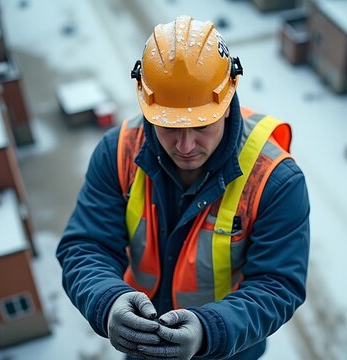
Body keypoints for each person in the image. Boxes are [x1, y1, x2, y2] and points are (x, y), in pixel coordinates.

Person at [57, 15, 310, 360]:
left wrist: (210, 330)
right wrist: (109, 301)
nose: (186, 145)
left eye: (202, 125)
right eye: (169, 127)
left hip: (227, 351)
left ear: (226, 102)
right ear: (147, 108)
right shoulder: (117, 153)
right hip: (142, 344)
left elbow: (276, 285)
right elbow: (86, 245)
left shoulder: (275, 180)